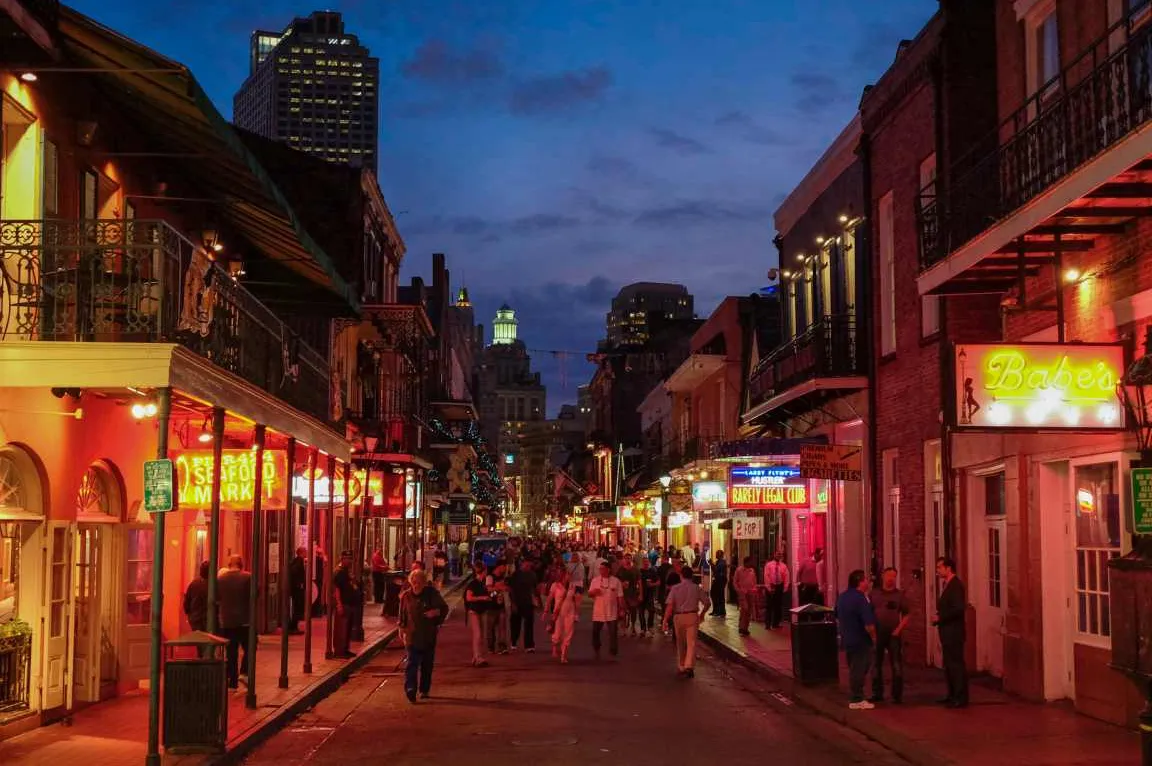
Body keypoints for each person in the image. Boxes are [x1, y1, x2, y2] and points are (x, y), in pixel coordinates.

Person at [398, 568, 449, 703]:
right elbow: (402, 614)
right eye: (414, 582)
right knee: (411, 663)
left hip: (428, 635)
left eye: (419, 582)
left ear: (424, 582)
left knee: (427, 664)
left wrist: (435, 613)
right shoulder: (406, 596)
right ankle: (410, 688)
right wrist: (401, 629)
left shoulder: (431, 594)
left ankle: (424, 689)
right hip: (412, 635)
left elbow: (444, 608)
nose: (416, 584)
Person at [836, 569, 877, 710]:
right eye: (865, 579)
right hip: (861, 639)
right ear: (860, 582)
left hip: (848, 638)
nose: (868, 582)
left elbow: (836, 613)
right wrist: (874, 637)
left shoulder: (842, 597)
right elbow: (869, 624)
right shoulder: (861, 598)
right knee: (860, 668)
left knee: (854, 667)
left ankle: (857, 696)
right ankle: (857, 698)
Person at [870, 566, 911, 703]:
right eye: (889, 576)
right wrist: (871, 631)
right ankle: (877, 693)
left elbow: (906, 615)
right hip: (878, 632)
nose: (891, 579)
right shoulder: (874, 594)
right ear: (883, 576)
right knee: (876, 663)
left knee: (896, 664)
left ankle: (897, 694)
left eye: (894, 576)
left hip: (893, 633)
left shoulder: (899, 595)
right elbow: (868, 613)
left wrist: (898, 630)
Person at [662, 565, 711, 678]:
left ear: (681, 576)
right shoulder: (696, 588)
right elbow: (707, 603)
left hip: (678, 617)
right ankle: (689, 666)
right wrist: (702, 614)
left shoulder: (675, 588)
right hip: (692, 616)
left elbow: (670, 605)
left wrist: (665, 620)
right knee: (691, 643)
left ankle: (682, 665)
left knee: (681, 643)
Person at [934, 557, 969, 708]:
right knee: (949, 664)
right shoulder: (947, 585)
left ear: (948, 568)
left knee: (955, 664)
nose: (938, 570)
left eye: (939, 567)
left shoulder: (956, 586)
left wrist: (941, 617)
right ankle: (952, 694)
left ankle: (960, 696)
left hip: (954, 632)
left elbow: (958, 608)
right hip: (947, 631)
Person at [216, 555, 252, 689]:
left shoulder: (220, 579)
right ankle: (244, 672)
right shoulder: (248, 577)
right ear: (241, 564)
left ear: (229, 564)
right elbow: (255, 595)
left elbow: (216, 597)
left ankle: (233, 681)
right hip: (245, 620)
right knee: (250, 648)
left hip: (227, 621)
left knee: (231, 651)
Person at [587, 561, 623, 660]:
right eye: (600, 569)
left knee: (613, 633)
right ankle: (596, 648)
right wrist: (594, 592)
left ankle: (613, 652)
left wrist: (621, 609)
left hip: (612, 612)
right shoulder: (595, 581)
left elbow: (620, 597)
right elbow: (589, 594)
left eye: (603, 569)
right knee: (595, 632)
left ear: (608, 570)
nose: (601, 571)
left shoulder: (616, 581)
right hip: (598, 612)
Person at [545, 568, 582, 663]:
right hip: (559, 612)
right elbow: (549, 598)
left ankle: (564, 655)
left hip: (570, 612)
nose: (569, 577)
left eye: (570, 575)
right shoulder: (555, 586)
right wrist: (546, 610)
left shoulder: (573, 586)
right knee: (557, 632)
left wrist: (577, 614)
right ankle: (555, 647)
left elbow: (577, 600)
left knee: (568, 632)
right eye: (567, 575)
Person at [332, 550, 361, 659]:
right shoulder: (339, 572)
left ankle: (345, 649)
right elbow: (337, 589)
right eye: (347, 558)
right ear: (342, 559)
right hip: (344, 603)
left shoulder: (347, 571)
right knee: (342, 628)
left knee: (347, 628)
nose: (349, 561)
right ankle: (339, 651)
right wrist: (339, 604)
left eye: (350, 558)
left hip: (350, 603)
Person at [464, 561, 493, 667]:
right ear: (483, 571)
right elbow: (469, 597)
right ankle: (477, 657)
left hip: (481, 610)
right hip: (474, 611)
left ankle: (476, 656)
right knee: (478, 635)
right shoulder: (473, 583)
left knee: (479, 635)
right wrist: (483, 598)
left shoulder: (482, 583)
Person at [509, 558, 541, 652]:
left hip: (528, 602)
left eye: (529, 565)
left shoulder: (532, 575)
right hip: (517, 602)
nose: (527, 567)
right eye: (526, 565)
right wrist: (513, 603)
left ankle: (529, 645)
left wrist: (537, 600)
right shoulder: (516, 575)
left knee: (529, 625)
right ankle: (514, 642)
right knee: (515, 624)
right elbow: (511, 589)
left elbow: (535, 589)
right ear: (522, 564)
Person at [486, 561, 511, 654]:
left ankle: (502, 646)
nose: (505, 570)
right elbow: (489, 591)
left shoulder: (503, 578)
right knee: (491, 628)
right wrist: (498, 589)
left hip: (501, 606)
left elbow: (506, 588)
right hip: (491, 606)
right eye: (504, 567)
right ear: (500, 567)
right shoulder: (490, 577)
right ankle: (491, 647)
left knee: (502, 627)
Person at [762, 551, 790, 629]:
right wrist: (768, 587)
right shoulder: (769, 565)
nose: (778, 555)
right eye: (777, 554)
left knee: (778, 606)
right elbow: (766, 576)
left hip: (779, 586)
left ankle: (775, 623)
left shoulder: (783, 566)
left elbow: (786, 577)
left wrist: (785, 587)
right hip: (771, 585)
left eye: (780, 554)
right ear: (774, 555)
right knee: (769, 606)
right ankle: (767, 625)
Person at [732, 556, 758, 636]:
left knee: (749, 611)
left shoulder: (752, 570)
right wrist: (739, 591)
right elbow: (735, 582)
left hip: (751, 592)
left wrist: (754, 589)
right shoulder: (739, 570)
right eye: (751, 562)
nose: (752, 563)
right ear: (746, 562)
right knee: (744, 610)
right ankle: (741, 628)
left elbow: (754, 581)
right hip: (742, 593)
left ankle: (745, 628)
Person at [618, 556, 641, 636]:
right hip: (623, 593)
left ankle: (633, 626)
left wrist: (641, 593)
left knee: (633, 610)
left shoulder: (635, 569)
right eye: (626, 558)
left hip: (633, 593)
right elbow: (616, 580)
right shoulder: (621, 570)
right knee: (623, 611)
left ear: (631, 559)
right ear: (624, 559)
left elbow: (639, 582)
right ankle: (623, 628)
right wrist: (622, 584)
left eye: (629, 558)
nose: (627, 560)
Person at [183, 561, 210, 632]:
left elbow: (186, 602)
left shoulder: (194, 583)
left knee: (198, 639)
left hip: (195, 619)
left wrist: (189, 614)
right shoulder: (213, 584)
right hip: (209, 619)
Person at [639, 556, 660, 637]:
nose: (646, 563)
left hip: (650, 594)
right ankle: (643, 629)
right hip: (641, 594)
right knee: (641, 612)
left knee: (651, 611)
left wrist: (652, 584)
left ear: (649, 562)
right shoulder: (640, 571)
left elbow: (658, 582)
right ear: (642, 563)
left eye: (647, 562)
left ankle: (650, 626)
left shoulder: (652, 571)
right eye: (644, 562)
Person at [288, 547, 307, 634]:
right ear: (301, 553)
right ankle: (293, 627)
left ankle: (293, 627)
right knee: (297, 608)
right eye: (305, 552)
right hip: (297, 590)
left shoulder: (297, 560)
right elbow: (294, 571)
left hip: (296, 589)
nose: (306, 553)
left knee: (297, 608)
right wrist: (299, 584)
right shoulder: (299, 561)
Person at [709, 550, 728, 617]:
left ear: (720, 555)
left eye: (717, 554)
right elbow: (714, 570)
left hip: (720, 580)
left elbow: (716, 570)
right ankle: (716, 610)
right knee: (714, 595)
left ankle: (721, 612)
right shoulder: (718, 562)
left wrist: (711, 564)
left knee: (719, 596)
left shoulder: (722, 562)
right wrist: (711, 564)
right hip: (717, 580)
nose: (715, 555)